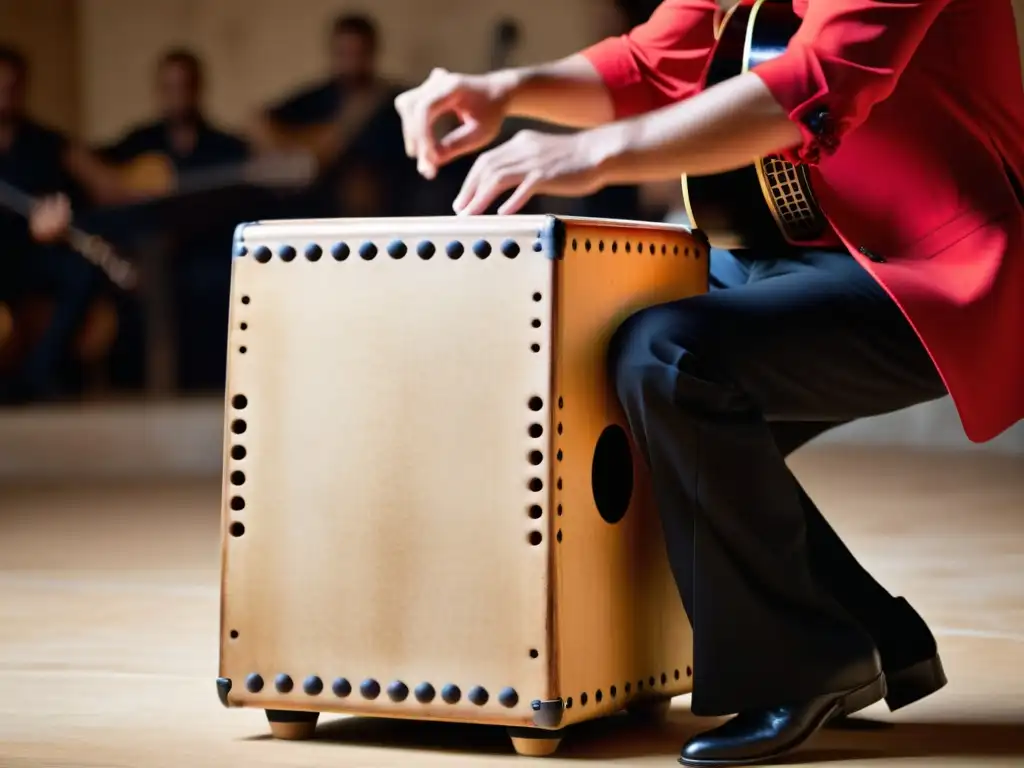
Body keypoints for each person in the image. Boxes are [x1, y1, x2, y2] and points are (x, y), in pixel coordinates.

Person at [394, 0, 1024, 764]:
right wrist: (505, 88)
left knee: (670, 358)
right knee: (585, 359)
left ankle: (798, 664)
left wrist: (593, 154)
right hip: (778, 242)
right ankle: (861, 634)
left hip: (930, 269)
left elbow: (816, 78)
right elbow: (652, 61)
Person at [101, 49, 250, 392]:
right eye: (169, 87)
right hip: (148, 257)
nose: (177, 95)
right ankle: (151, 388)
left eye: (185, 86)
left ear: (198, 89)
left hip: (208, 255)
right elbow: (103, 179)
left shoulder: (225, 147)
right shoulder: (139, 143)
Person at [0, 45, 130, 402]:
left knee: (82, 270)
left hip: (37, 251)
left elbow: (106, 187)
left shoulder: (48, 142)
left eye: (12, 86)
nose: (5, 94)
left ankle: (38, 373)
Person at [252, 13, 414, 217]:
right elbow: (260, 121)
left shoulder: (395, 101)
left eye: (359, 53)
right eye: (344, 53)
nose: (352, 63)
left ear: (373, 52)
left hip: (387, 206)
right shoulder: (317, 98)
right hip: (318, 206)